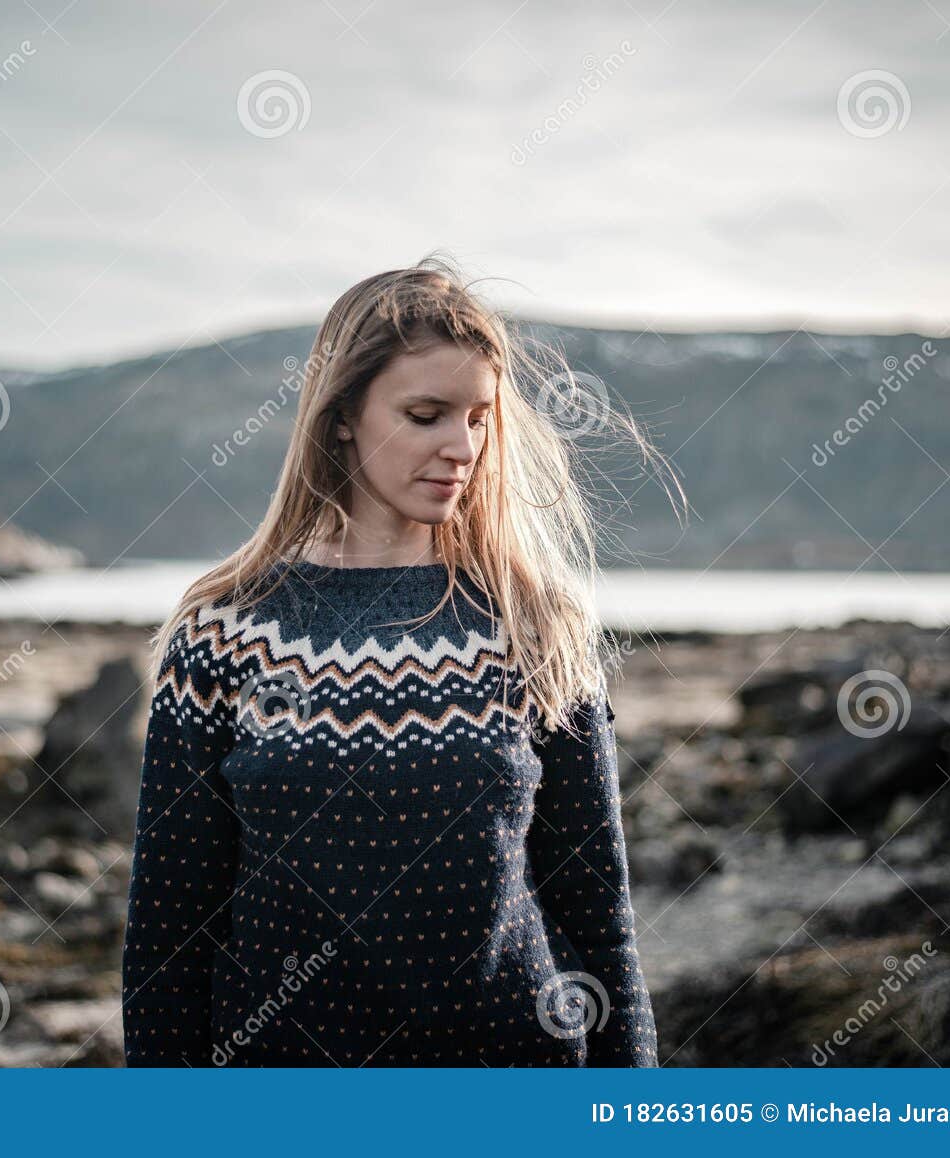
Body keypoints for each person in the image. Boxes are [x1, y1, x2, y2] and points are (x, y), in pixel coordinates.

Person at [122, 253, 685, 1067]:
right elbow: (171, 930)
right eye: (426, 414)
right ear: (343, 412)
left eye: (480, 417)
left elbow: (596, 904)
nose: (462, 446)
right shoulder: (222, 633)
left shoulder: (536, 624)